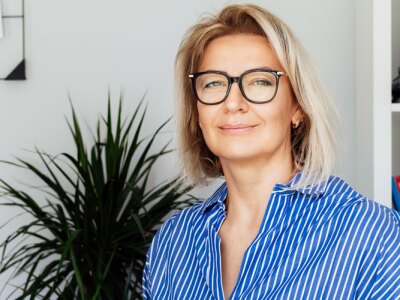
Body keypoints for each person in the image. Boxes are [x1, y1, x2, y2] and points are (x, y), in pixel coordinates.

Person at [142, 4, 400, 299]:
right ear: (197, 112)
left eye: (260, 81)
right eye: (213, 83)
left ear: (298, 107)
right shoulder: (173, 242)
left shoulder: (370, 234)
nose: (233, 103)